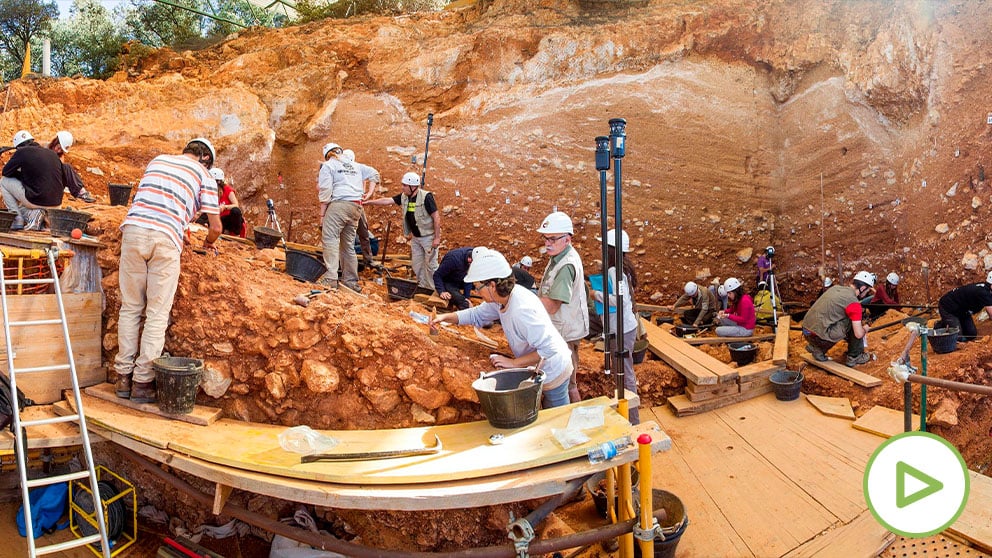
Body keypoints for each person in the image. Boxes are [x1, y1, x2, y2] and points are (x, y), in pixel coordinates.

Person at [114, 138, 221, 403]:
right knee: (157, 314)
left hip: (134, 231)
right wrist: (207, 244)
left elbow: (155, 201)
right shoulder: (204, 175)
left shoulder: (158, 160)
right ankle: (142, 382)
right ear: (206, 158)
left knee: (130, 308)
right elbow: (216, 228)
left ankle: (122, 378)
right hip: (165, 240)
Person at [431, 248, 573, 408]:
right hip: (538, 366)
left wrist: (514, 363)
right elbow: (475, 314)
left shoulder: (522, 310)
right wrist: (445, 318)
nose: (477, 291)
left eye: (478, 287)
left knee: (557, 415)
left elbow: (550, 349)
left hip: (555, 369)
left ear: (491, 285)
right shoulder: (501, 300)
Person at [536, 211, 589, 403]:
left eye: (552, 239)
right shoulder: (559, 256)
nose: (547, 243)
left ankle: (575, 421)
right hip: (563, 329)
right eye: (545, 238)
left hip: (565, 333)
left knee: (566, 382)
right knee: (567, 380)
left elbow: (551, 306)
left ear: (567, 239)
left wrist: (525, 301)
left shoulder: (566, 265)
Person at [590, 229, 640, 424]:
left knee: (626, 373)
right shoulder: (620, 268)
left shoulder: (614, 270)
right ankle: (627, 413)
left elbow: (619, 300)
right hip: (622, 327)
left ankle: (632, 419)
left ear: (611, 249)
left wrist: (595, 295)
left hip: (622, 328)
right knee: (624, 371)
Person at [316, 142, 379, 291]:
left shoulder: (329, 165)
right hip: (356, 207)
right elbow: (375, 174)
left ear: (327, 155)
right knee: (347, 245)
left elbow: (325, 191)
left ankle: (330, 278)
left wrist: (322, 215)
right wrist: (369, 193)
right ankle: (350, 281)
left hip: (340, 205)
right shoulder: (355, 165)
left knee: (330, 238)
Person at [365, 171, 440, 289]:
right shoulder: (404, 197)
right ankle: (422, 287)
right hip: (416, 238)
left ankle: (434, 289)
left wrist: (437, 238)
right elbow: (387, 200)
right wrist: (369, 202)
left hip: (428, 237)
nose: (402, 187)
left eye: (405, 185)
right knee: (417, 264)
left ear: (413, 186)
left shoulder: (426, 197)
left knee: (431, 265)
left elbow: (436, 217)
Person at [802, 271, 875, 367]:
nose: (867, 293)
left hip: (806, 331)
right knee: (853, 321)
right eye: (867, 290)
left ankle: (818, 349)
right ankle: (855, 356)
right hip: (820, 337)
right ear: (862, 288)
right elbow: (858, 334)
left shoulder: (835, 288)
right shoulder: (854, 303)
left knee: (834, 319)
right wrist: (865, 329)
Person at [1, 130, 65, 230]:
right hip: (57, 204)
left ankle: (17, 220)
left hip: (37, 201)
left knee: (4, 181)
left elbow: (6, 172)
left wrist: (19, 173)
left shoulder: (22, 152)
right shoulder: (52, 154)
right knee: (21, 208)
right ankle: (40, 218)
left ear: (18, 146)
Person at [342, 148, 377, 269]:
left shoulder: (355, 170)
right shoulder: (344, 170)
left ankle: (367, 259)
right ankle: (366, 259)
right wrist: (368, 193)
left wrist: (367, 194)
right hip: (351, 203)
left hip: (355, 204)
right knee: (360, 235)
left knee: (363, 233)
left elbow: (365, 182)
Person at [937, 271, 992, 342]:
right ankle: (941, 325)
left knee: (971, 334)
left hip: (963, 310)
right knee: (958, 338)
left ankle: (955, 323)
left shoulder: (987, 290)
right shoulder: (984, 293)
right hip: (948, 308)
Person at [47, 131, 96, 203]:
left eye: (61, 150)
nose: (58, 150)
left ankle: (80, 192)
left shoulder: (60, 156)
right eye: (58, 147)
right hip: (43, 178)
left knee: (67, 167)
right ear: (55, 142)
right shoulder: (43, 148)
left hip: (53, 182)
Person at [209, 167, 245, 237]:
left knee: (235, 211)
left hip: (230, 218)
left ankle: (236, 233)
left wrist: (225, 207)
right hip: (220, 219)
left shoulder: (227, 190)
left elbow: (236, 205)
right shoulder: (211, 192)